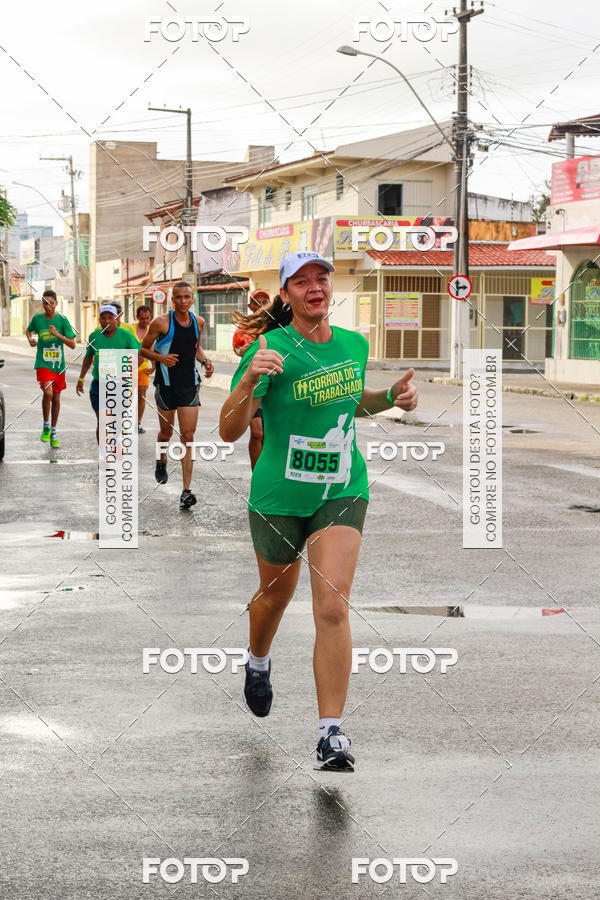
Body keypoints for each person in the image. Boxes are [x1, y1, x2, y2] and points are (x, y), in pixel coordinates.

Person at [220, 251, 418, 771]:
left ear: (330, 289)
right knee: (273, 599)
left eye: (321, 279)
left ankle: (331, 733)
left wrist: (390, 397)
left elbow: (351, 404)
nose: (314, 287)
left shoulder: (354, 345)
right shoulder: (268, 348)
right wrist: (246, 383)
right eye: (300, 281)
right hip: (279, 496)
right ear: (285, 294)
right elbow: (229, 430)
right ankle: (257, 660)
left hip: (341, 488)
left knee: (332, 605)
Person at [140, 281, 214, 510]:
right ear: (173, 300)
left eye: (187, 297)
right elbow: (143, 349)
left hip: (189, 385)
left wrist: (206, 362)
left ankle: (186, 491)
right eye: (178, 297)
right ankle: (161, 461)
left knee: (187, 436)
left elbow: (195, 348)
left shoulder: (198, 322)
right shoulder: (161, 322)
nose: (183, 301)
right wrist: (161, 359)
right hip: (166, 385)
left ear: (192, 299)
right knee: (165, 432)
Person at [75, 304, 141, 442]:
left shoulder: (126, 336)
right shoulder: (94, 336)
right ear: (99, 320)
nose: (106, 321)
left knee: (115, 422)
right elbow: (88, 357)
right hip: (99, 385)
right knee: (103, 420)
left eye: (110, 318)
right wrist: (80, 379)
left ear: (116, 319)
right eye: (103, 318)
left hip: (120, 385)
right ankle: (104, 455)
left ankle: (113, 447)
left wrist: (126, 370)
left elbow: (139, 357)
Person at [26, 289, 76, 448]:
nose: (47, 307)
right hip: (43, 362)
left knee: (56, 398)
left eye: (50, 303)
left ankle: (53, 431)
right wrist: (30, 340)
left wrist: (57, 334)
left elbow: (73, 344)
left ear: (56, 303)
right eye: (45, 303)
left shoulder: (62, 320)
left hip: (58, 365)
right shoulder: (37, 319)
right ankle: (46, 424)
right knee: (47, 392)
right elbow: (28, 330)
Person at [232, 288, 270, 469]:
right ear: (251, 304)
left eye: (265, 301)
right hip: (253, 385)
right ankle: (258, 476)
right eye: (258, 301)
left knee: (269, 435)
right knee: (257, 432)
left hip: (273, 386)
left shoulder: (274, 323)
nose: (262, 304)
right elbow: (237, 349)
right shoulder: (244, 327)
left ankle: (268, 473)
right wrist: (247, 350)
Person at [122, 305, 155, 433]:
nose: (145, 321)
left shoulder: (152, 330)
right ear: (137, 317)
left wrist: (154, 366)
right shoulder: (130, 329)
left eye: (147, 318)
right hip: (128, 367)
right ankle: (125, 421)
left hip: (143, 368)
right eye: (142, 319)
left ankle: (138, 423)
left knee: (142, 394)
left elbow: (152, 349)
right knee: (127, 396)